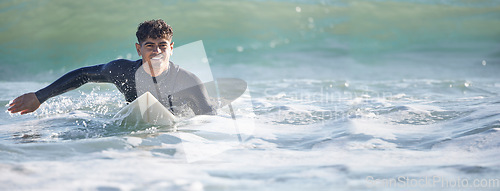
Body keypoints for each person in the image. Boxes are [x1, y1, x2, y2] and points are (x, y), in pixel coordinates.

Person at [7, 19, 214, 116]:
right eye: (150, 46)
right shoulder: (123, 72)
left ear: (171, 48)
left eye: (162, 46)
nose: (157, 52)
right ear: (138, 49)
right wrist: (39, 97)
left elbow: (209, 121)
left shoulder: (188, 82)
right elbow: (84, 75)